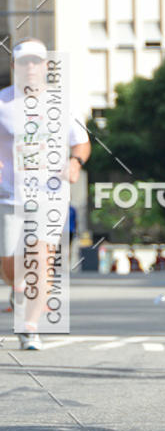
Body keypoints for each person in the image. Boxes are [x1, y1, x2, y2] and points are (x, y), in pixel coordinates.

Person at [0, 39, 91, 349]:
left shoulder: (62, 104)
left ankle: (29, 327)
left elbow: (81, 142)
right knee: (10, 265)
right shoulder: (2, 103)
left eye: (36, 62)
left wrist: (74, 162)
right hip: (9, 195)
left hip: (50, 196)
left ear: (45, 66)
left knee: (41, 259)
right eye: (24, 62)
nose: (30, 68)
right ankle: (16, 287)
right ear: (15, 67)